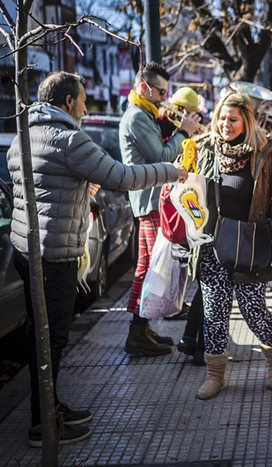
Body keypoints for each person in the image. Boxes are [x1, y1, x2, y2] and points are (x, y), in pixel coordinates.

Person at [7, 71, 187, 446]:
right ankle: (44, 426)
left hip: (27, 249)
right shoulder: (69, 139)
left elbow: (38, 184)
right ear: (69, 102)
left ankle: (49, 407)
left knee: (41, 335)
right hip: (54, 255)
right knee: (52, 338)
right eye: (84, 102)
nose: (87, 110)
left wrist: (77, 184)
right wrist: (172, 170)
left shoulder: (24, 135)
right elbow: (122, 176)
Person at [188, 91, 272, 400]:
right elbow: (188, 185)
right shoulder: (205, 147)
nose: (224, 125)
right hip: (212, 243)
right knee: (214, 311)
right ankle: (214, 374)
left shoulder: (267, 152)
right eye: (221, 118)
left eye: (232, 120)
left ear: (246, 120)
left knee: (252, 308)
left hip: (251, 242)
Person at [120, 62, 202, 356]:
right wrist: (184, 132)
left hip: (156, 199)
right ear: (145, 87)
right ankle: (136, 332)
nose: (165, 98)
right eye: (161, 92)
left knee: (156, 265)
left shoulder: (146, 113)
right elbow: (162, 157)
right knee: (149, 267)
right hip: (150, 200)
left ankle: (144, 328)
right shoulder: (137, 117)